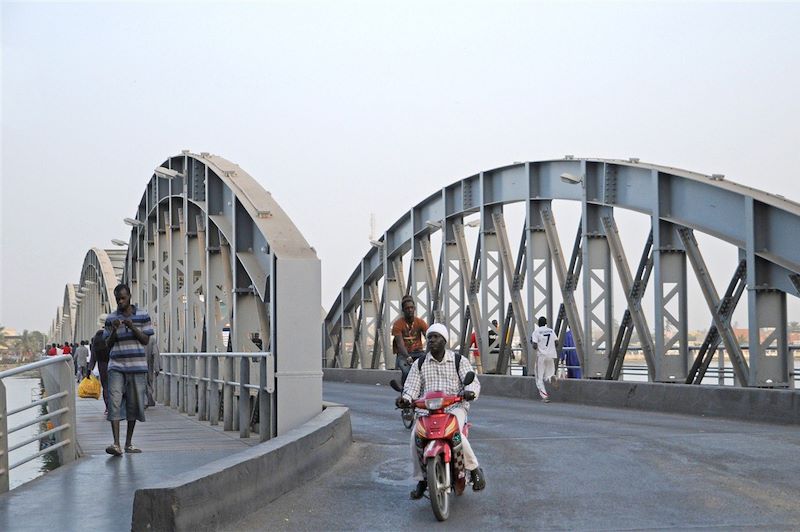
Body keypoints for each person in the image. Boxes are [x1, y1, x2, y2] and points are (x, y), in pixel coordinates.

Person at [397, 323, 485, 499]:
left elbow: (472, 381)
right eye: (429, 337)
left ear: (444, 340)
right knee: (415, 438)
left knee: (457, 433)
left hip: (454, 408)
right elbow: (411, 388)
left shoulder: (459, 361)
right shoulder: (419, 364)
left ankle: (474, 469)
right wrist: (406, 399)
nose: (431, 340)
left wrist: (470, 392)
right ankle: (422, 480)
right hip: (426, 411)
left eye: (435, 337)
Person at [103, 283, 153, 456]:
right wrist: (114, 331)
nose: (120, 302)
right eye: (118, 299)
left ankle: (128, 443)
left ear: (129, 296)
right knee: (114, 402)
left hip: (137, 366)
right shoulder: (111, 318)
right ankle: (116, 444)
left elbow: (146, 340)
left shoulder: (143, 315)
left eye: (123, 298)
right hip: (116, 366)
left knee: (134, 404)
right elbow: (107, 345)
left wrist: (132, 327)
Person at [391, 295, 428, 385]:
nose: (410, 310)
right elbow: (400, 344)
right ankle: (404, 390)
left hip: (418, 352)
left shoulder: (420, 322)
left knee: (425, 372)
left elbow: (429, 337)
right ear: (403, 310)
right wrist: (407, 357)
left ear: (414, 308)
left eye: (411, 307)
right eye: (407, 308)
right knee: (407, 372)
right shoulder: (398, 324)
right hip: (404, 354)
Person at [531, 316, 559, 403]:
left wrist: (535, 345)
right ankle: (552, 378)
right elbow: (556, 342)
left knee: (539, 377)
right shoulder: (551, 330)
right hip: (551, 355)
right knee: (549, 374)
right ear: (546, 323)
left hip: (541, 356)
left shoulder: (536, 332)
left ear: (538, 323)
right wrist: (550, 348)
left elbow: (535, 345)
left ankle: (544, 396)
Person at [89, 329, 111, 412]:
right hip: (112, 363)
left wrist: (89, 370)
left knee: (105, 386)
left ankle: (108, 407)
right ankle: (115, 405)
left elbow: (93, 357)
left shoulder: (96, 340)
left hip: (102, 365)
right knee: (113, 386)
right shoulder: (109, 337)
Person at [144, 327, 160, 408]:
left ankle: (144, 400)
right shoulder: (152, 339)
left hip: (137, 364)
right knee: (149, 382)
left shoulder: (135, 337)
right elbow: (155, 353)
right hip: (149, 364)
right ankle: (148, 399)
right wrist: (157, 368)